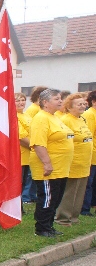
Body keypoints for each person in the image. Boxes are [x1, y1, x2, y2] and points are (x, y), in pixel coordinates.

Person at [29, 89, 74, 237]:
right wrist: (47, 163)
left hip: (61, 168)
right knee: (47, 199)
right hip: (48, 168)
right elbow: (38, 144)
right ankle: (42, 228)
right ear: (45, 102)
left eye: (60, 98)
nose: (60, 101)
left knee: (56, 198)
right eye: (56, 99)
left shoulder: (54, 117)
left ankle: (49, 226)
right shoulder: (41, 118)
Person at [55, 93, 93, 225]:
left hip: (84, 162)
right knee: (70, 191)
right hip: (73, 162)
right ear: (69, 107)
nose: (82, 106)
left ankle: (74, 217)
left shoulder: (82, 119)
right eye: (79, 104)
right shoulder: (66, 120)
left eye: (83, 104)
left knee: (80, 191)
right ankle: (63, 218)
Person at [79, 91, 96, 216]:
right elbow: (88, 135)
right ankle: (85, 208)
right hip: (91, 154)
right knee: (88, 183)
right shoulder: (90, 114)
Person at [16, 93, 32, 212]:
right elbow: (20, 137)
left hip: (28, 156)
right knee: (18, 183)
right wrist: (36, 147)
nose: (21, 103)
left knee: (24, 182)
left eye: (23, 100)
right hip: (19, 155)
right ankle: (17, 208)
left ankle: (20, 207)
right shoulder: (13, 116)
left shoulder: (26, 115)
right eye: (18, 101)